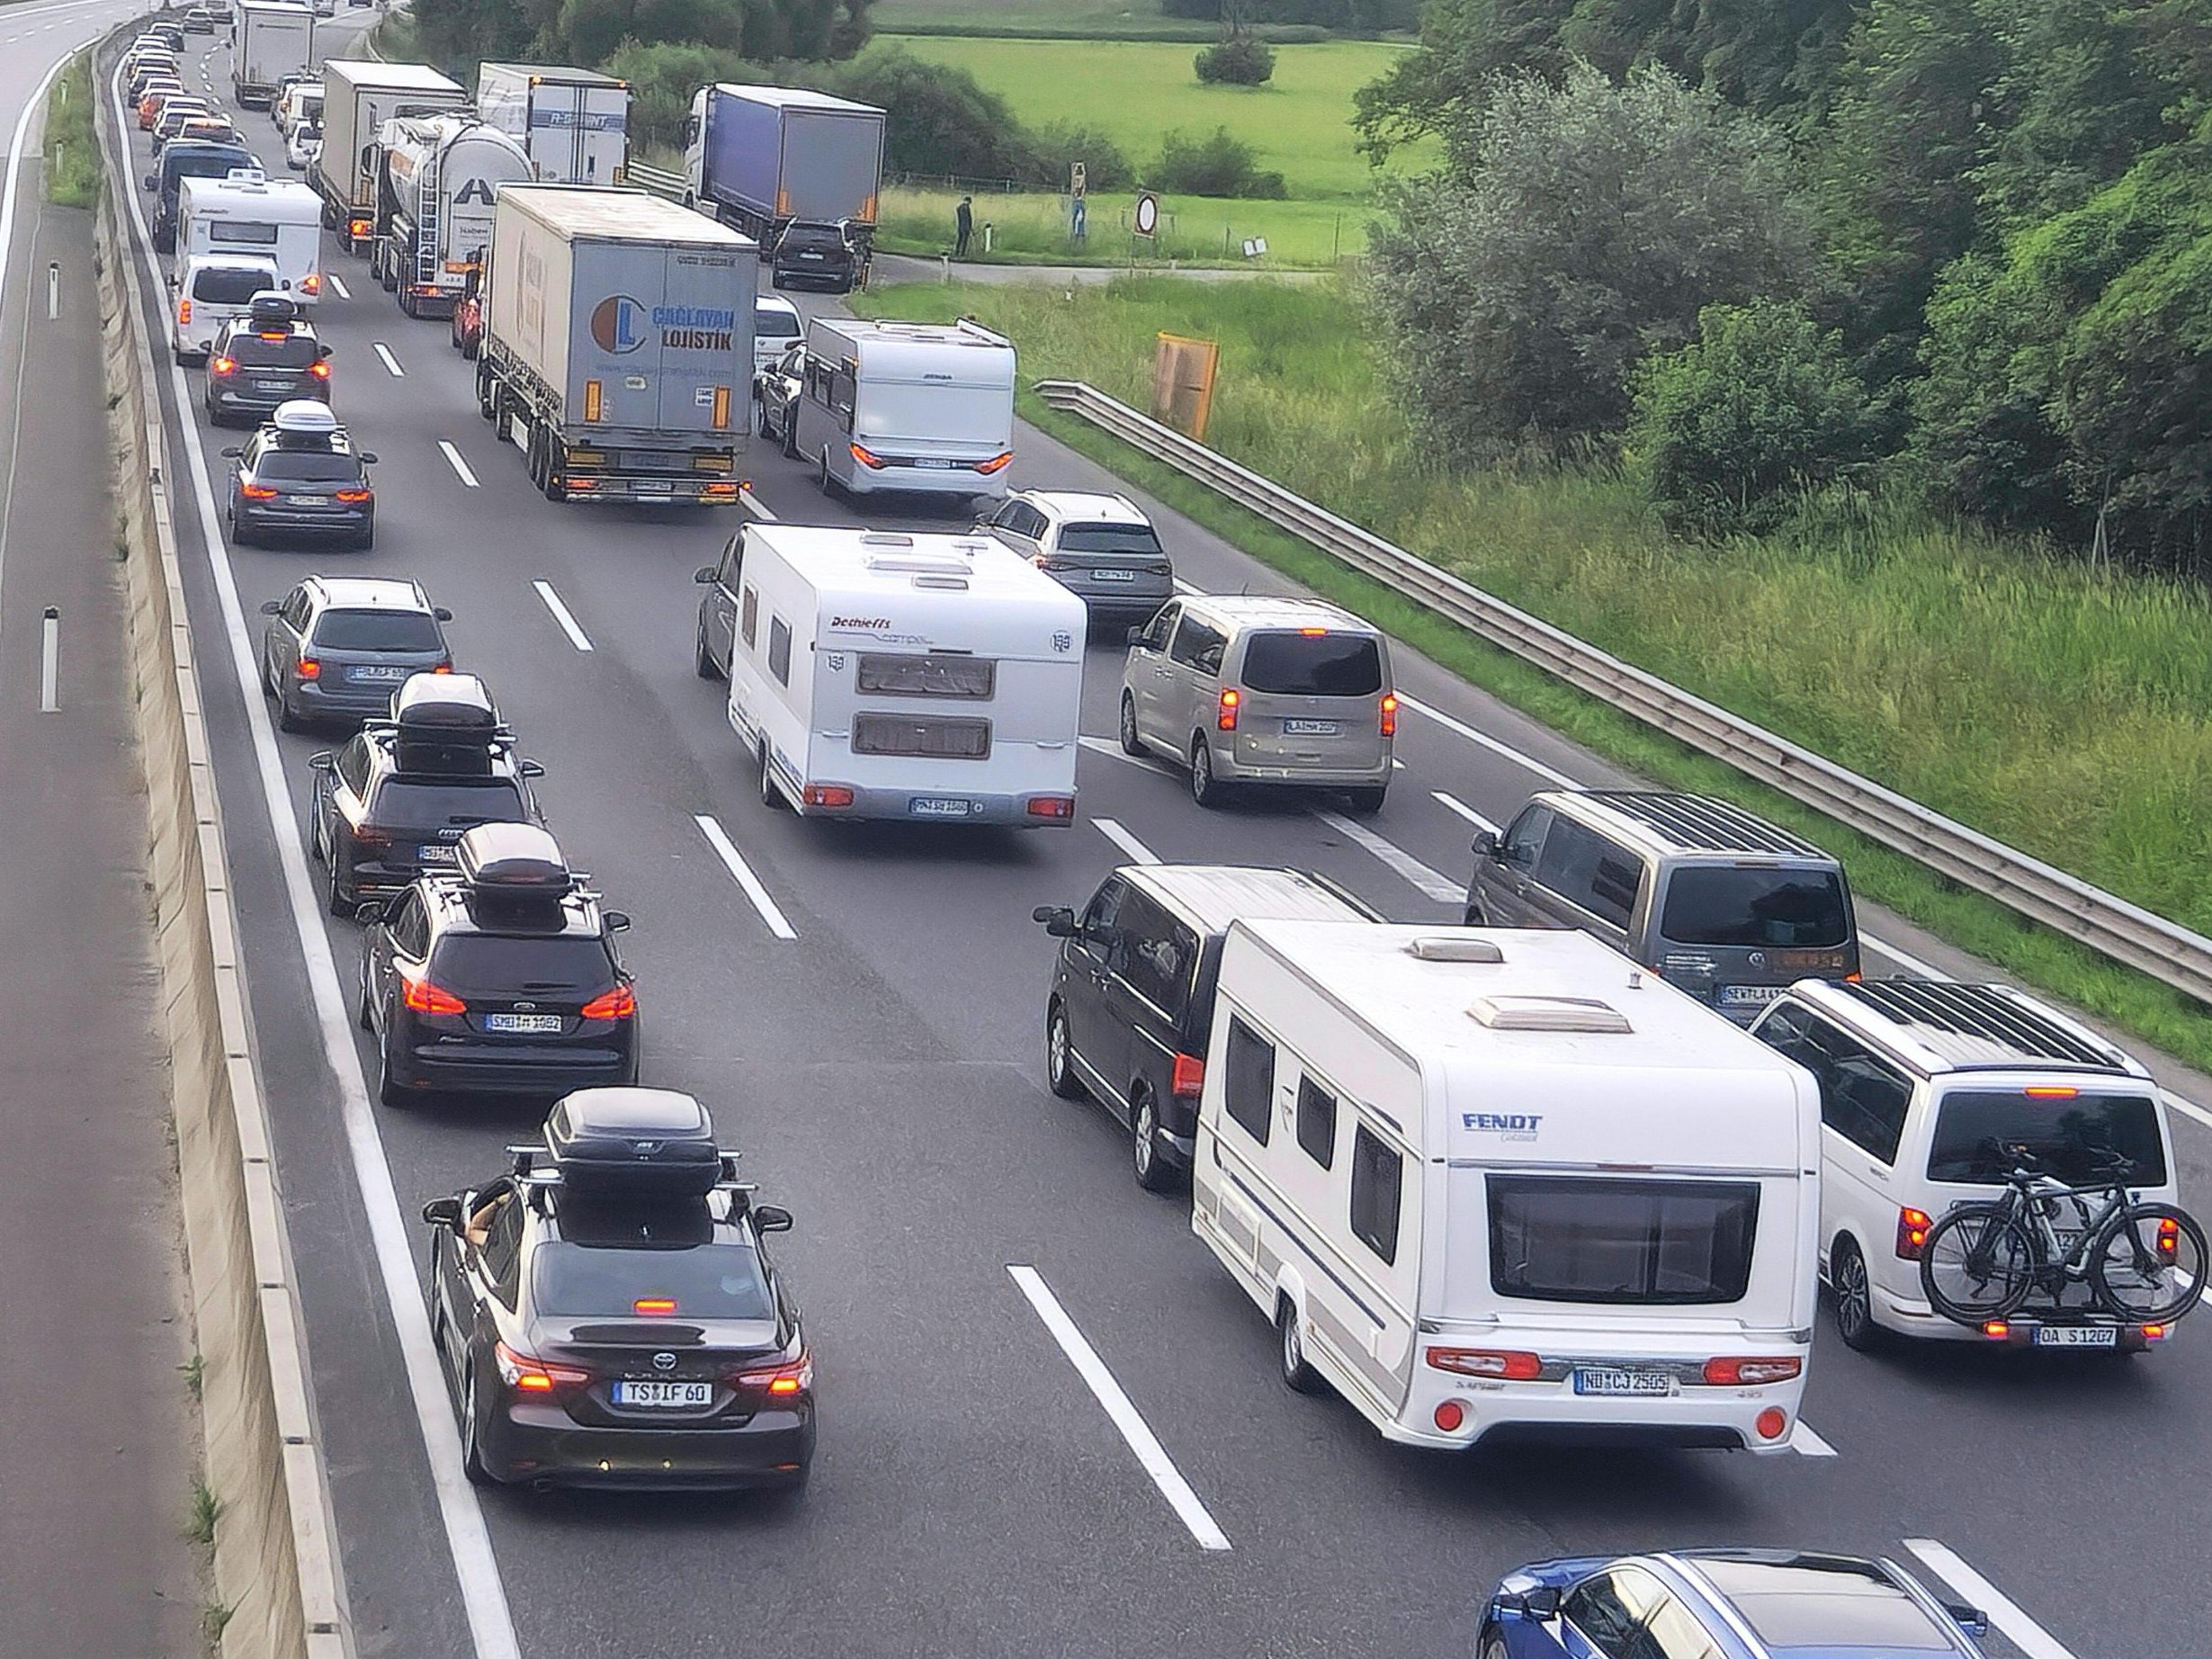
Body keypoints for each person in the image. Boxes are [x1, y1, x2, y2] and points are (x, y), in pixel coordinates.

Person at [954, 194, 973, 258]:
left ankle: (958, 252)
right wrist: (968, 228)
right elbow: (965, 218)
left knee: (960, 240)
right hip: (964, 226)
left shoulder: (961, 207)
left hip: (962, 226)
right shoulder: (963, 208)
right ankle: (961, 253)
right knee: (963, 240)